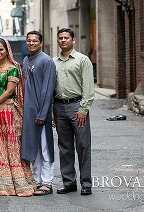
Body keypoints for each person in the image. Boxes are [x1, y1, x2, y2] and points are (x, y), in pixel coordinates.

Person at [0, 37, 36, 196]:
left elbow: (9, 92)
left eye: (1, 49)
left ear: (7, 51)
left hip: (6, 111)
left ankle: (15, 184)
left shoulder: (13, 68)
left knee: (9, 146)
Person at [53, 28, 95, 196]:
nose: (63, 40)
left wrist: (83, 109)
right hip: (59, 107)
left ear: (73, 40)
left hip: (77, 106)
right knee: (64, 147)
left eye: (66, 38)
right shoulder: (53, 62)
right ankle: (69, 182)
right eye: (60, 38)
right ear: (58, 41)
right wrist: (52, 112)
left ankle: (86, 183)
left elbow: (89, 88)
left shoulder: (82, 60)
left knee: (83, 146)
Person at [21, 30, 57, 195]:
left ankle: (47, 182)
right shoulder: (26, 60)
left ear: (40, 43)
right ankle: (36, 180)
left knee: (44, 148)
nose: (31, 43)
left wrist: (43, 114)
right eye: (29, 41)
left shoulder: (46, 61)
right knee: (33, 148)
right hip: (28, 113)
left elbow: (48, 89)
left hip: (40, 113)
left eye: (35, 41)